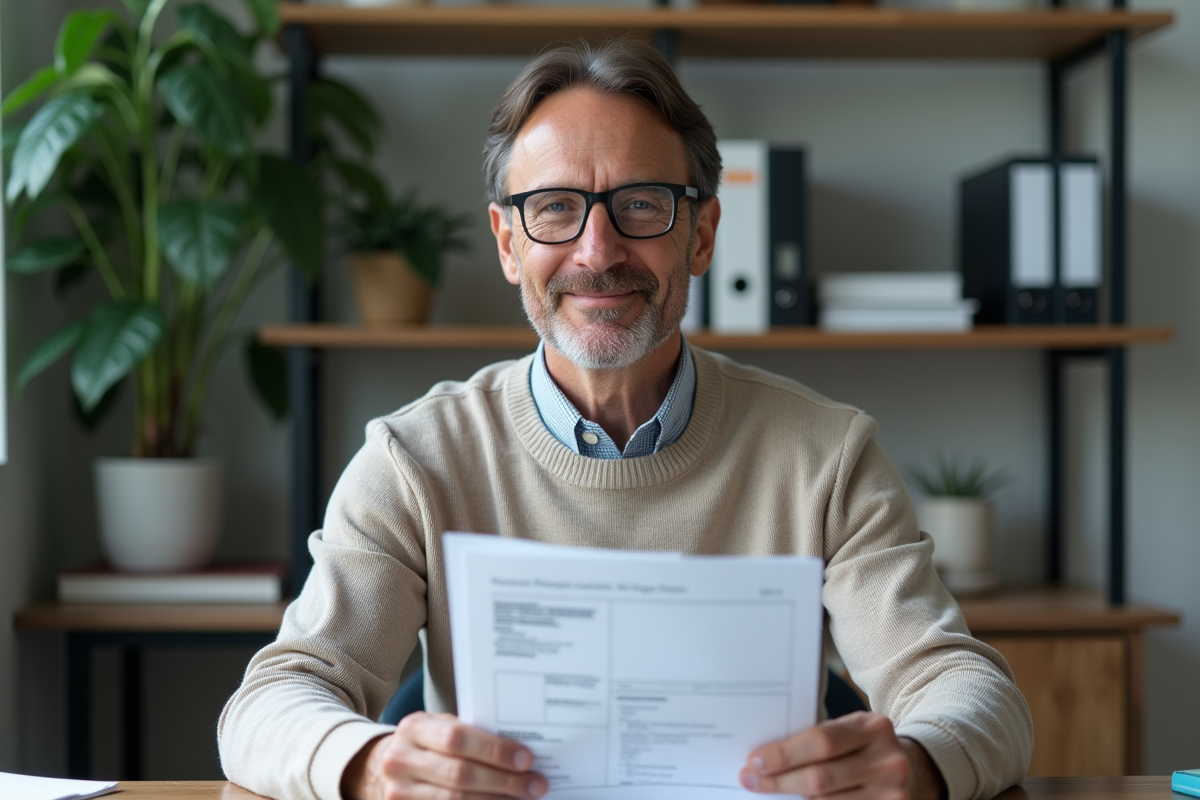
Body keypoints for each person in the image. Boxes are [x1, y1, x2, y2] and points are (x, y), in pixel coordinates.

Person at [219, 38, 1032, 800]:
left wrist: (923, 765)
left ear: (702, 233)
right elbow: (270, 703)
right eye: (555, 208)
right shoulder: (414, 459)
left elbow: (970, 692)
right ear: (508, 244)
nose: (597, 249)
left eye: (641, 204)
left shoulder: (826, 456)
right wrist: (365, 764)